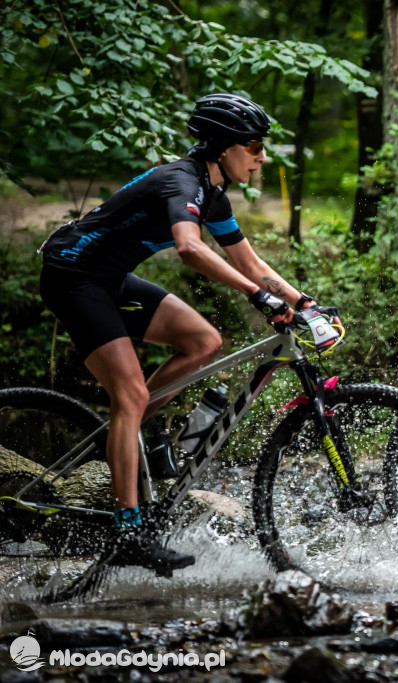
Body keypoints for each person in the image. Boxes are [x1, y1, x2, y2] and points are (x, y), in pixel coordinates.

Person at [38, 93, 323, 572]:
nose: (262, 156)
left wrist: (305, 303)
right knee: (128, 395)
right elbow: (189, 249)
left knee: (203, 343)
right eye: (253, 146)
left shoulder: (213, 195)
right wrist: (257, 296)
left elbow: (249, 262)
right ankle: (127, 528)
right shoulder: (180, 180)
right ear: (223, 146)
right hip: (73, 278)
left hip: (108, 279)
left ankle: (131, 435)